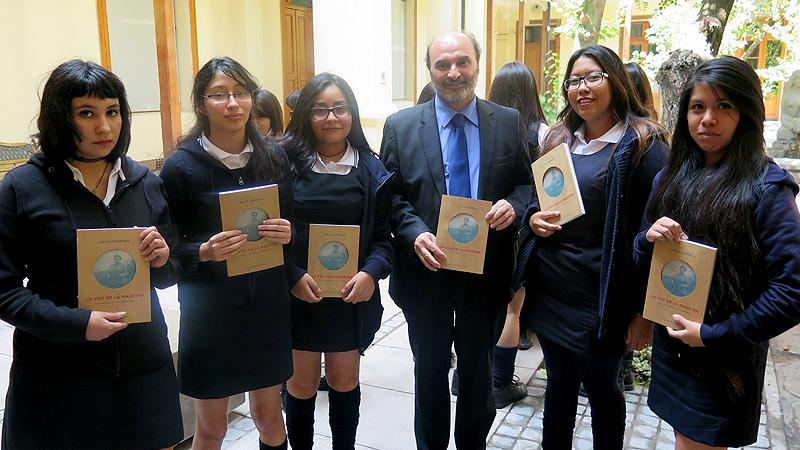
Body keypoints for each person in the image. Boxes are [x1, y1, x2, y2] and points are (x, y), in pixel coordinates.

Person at [0, 59, 182, 449]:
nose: (104, 127)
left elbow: (171, 273)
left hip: (142, 366)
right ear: (59, 118)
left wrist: (163, 259)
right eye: (87, 113)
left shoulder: (145, 182)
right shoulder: (22, 188)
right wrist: (76, 324)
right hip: (57, 371)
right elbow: (4, 291)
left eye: (112, 112)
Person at [633, 56, 800, 449]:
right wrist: (647, 239)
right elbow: (641, 256)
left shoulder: (767, 187)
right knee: (682, 439)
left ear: (746, 112)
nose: (708, 118)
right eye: (698, 107)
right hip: (673, 349)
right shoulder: (669, 176)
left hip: (723, 363)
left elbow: (792, 290)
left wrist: (714, 335)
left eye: (724, 106)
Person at [380, 31, 532, 449]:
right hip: (425, 274)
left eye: (462, 61)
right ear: (429, 70)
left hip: (486, 274)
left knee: (478, 374)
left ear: (477, 64)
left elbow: (526, 183)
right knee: (428, 373)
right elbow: (390, 196)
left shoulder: (507, 121)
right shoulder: (402, 126)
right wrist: (414, 233)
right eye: (442, 64)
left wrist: (513, 206)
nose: (453, 72)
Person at [515, 44, 668, 449]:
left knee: (603, 391)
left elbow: (654, 234)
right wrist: (533, 218)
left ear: (615, 80)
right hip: (552, 291)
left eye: (593, 77)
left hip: (603, 300)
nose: (582, 88)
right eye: (574, 80)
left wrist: (643, 313)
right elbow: (537, 201)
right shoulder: (560, 140)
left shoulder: (643, 145)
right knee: (559, 383)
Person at [159, 56, 293, 450]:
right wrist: (202, 250)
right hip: (211, 314)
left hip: (266, 307)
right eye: (219, 95)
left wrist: (288, 232)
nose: (232, 103)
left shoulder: (274, 157)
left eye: (241, 93)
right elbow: (165, 253)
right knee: (212, 428)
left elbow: (296, 227)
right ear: (201, 104)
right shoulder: (180, 169)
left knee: (270, 418)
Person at [279, 72, 393, 450]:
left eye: (340, 109)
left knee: (345, 382)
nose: (331, 118)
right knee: (301, 384)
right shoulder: (284, 165)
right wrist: (292, 274)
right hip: (299, 297)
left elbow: (384, 240)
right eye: (320, 110)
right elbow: (267, 236)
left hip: (349, 298)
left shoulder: (372, 170)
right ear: (306, 115)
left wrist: (370, 274)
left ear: (352, 113)